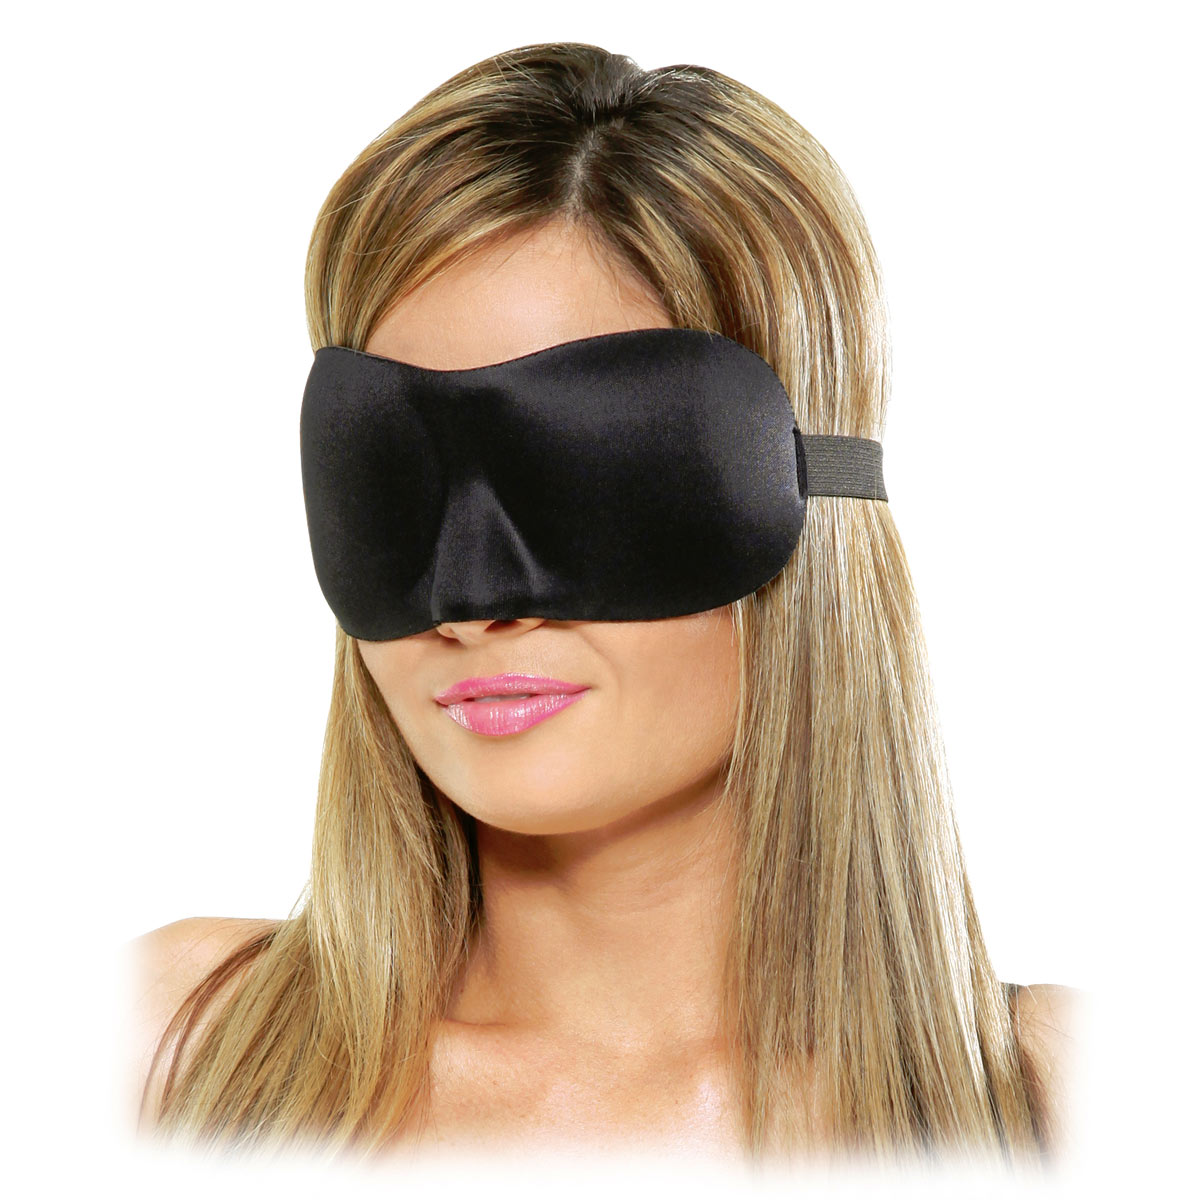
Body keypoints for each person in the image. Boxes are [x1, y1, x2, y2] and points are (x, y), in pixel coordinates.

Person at [129, 41, 1080, 1171]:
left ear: (814, 494)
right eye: (392, 476)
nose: (472, 605)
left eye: (587, 477)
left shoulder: (1072, 1103)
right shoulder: (164, 1050)